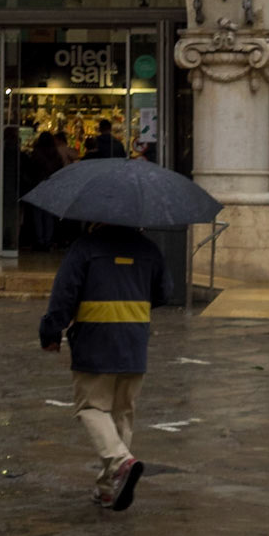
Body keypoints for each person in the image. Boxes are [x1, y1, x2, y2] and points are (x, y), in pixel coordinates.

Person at [39, 220, 174, 513]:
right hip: (134, 343)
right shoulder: (149, 249)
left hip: (95, 341)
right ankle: (107, 488)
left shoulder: (85, 248)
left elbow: (64, 295)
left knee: (90, 407)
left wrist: (51, 332)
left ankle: (120, 462)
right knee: (122, 414)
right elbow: (164, 293)